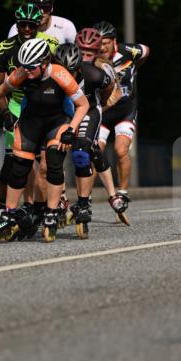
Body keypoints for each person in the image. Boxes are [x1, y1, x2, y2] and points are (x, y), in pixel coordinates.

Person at [0, 38, 88, 243]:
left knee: (53, 162)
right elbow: (1, 90)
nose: (28, 71)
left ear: (44, 62)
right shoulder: (22, 72)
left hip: (57, 122)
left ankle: (51, 211)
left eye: (32, 67)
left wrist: (71, 129)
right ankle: (10, 212)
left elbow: (83, 105)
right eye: (25, 66)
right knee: (20, 166)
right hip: (31, 121)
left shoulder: (60, 74)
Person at [0, 4, 59, 228]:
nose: (27, 28)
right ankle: (14, 207)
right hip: (17, 101)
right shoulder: (4, 48)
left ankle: (50, 202)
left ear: (39, 25)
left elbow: (63, 77)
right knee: (16, 158)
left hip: (45, 100)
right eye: (22, 25)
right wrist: (6, 112)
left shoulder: (52, 46)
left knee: (47, 160)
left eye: (31, 24)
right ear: (16, 25)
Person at [53, 34, 129, 237]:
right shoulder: (51, 70)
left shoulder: (96, 74)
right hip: (62, 113)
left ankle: (85, 204)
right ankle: (55, 202)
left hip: (89, 111)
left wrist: (99, 105)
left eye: (90, 53)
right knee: (52, 154)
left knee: (81, 154)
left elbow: (109, 90)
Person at [93, 20, 150, 205]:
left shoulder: (128, 51)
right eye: (98, 43)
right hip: (103, 111)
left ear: (114, 41)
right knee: (94, 151)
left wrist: (135, 67)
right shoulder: (91, 57)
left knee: (120, 150)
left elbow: (146, 51)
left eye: (105, 42)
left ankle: (123, 192)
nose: (101, 47)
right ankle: (85, 197)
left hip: (125, 110)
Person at [7, 0, 76, 44]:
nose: (41, 12)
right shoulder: (17, 29)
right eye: (37, 7)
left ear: (52, 7)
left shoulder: (66, 26)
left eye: (45, 7)